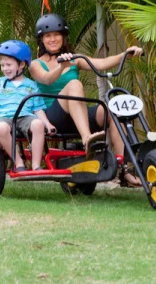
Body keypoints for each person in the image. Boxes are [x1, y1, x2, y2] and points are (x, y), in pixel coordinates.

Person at [28, 13, 144, 186]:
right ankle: (86, 139)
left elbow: (102, 63)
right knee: (75, 84)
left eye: (56, 34)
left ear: (63, 37)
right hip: (52, 118)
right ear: (42, 40)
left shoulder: (75, 59)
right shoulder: (35, 64)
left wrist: (125, 54)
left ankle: (125, 170)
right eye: (48, 36)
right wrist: (61, 67)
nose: (52, 39)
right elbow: (46, 79)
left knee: (110, 110)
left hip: (77, 115)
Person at [0, 40, 57, 172]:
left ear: (22, 64)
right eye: (2, 65)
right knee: (1, 128)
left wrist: (47, 124)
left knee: (38, 124)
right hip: (5, 117)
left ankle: (36, 165)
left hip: (25, 117)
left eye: (8, 65)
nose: (5, 68)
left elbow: (38, 109)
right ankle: (18, 162)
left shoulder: (31, 85)